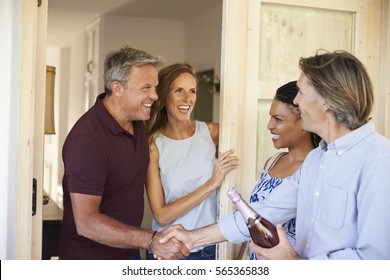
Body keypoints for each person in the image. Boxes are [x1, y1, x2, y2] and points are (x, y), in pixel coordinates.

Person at [159, 50, 390, 260]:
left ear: (327, 100)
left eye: (301, 92)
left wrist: (294, 265)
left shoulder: (378, 161)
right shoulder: (316, 161)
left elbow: (377, 261)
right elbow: (263, 212)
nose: (297, 101)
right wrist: (192, 238)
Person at [58, 46, 189, 260]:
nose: (155, 96)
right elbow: (86, 222)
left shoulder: (137, 120)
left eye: (155, 87)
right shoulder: (87, 140)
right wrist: (150, 240)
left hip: (128, 252)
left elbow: (179, 121)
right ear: (117, 88)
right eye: (146, 88)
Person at [145, 63, 238, 260]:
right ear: (163, 97)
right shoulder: (153, 146)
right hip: (170, 253)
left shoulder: (211, 133)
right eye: (179, 90)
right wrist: (212, 183)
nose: (187, 98)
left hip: (210, 250)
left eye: (192, 91)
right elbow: (161, 216)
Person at [245, 80, 320, 260]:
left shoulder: (316, 169)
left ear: (304, 122)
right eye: (271, 117)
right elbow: (252, 223)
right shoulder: (271, 162)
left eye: (278, 119)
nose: (269, 125)